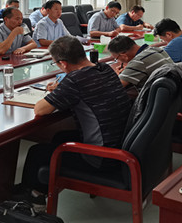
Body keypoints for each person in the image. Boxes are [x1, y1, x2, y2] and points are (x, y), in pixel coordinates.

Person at [17, 36, 132, 207]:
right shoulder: (105, 69)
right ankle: (43, 190)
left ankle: (31, 199)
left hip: (103, 157)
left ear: (63, 64)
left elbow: (40, 109)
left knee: (37, 152)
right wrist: (63, 88)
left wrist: (63, 87)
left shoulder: (75, 80)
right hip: (122, 143)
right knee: (59, 137)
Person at [107, 34, 173, 90]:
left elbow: (116, 87)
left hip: (153, 97)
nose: (118, 61)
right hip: (172, 93)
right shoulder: (156, 49)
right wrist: (129, 71)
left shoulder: (138, 62)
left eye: (117, 58)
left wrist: (118, 75)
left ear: (124, 56)